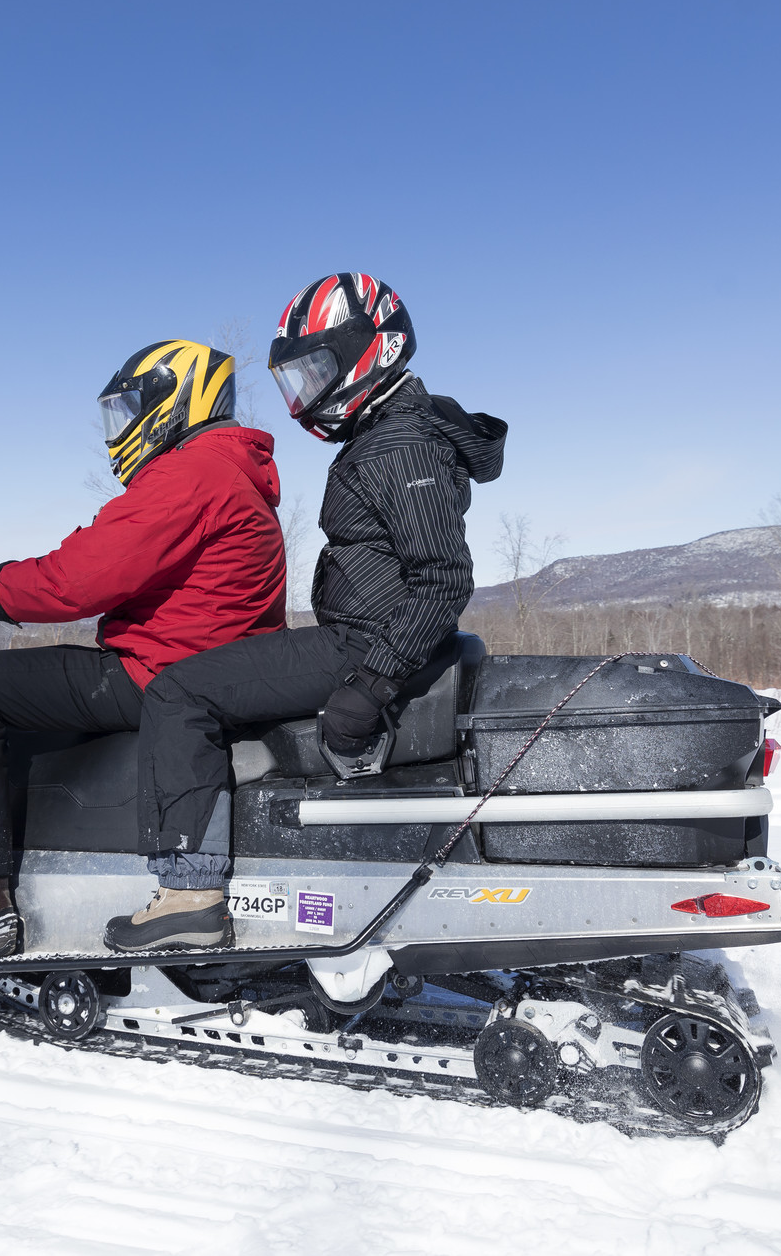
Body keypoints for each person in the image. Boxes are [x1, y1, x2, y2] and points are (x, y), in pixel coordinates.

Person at [106, 273, 507, 952]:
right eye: (299, 376)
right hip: (357, 636)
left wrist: (371, 682)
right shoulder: (391, 431)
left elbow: (443, 578)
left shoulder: (402, 441)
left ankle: (189, 892)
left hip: (362, 645)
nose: (307, 393)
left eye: (316, 369)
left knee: (178, 690)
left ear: (370, 351)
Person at [0, 339, 287, 958]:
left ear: (175, 401)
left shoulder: (192, 472)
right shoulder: (230, 473)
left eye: (128, 411)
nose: (118, 433)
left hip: (159, 672)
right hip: (194, 666)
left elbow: (78, 579)